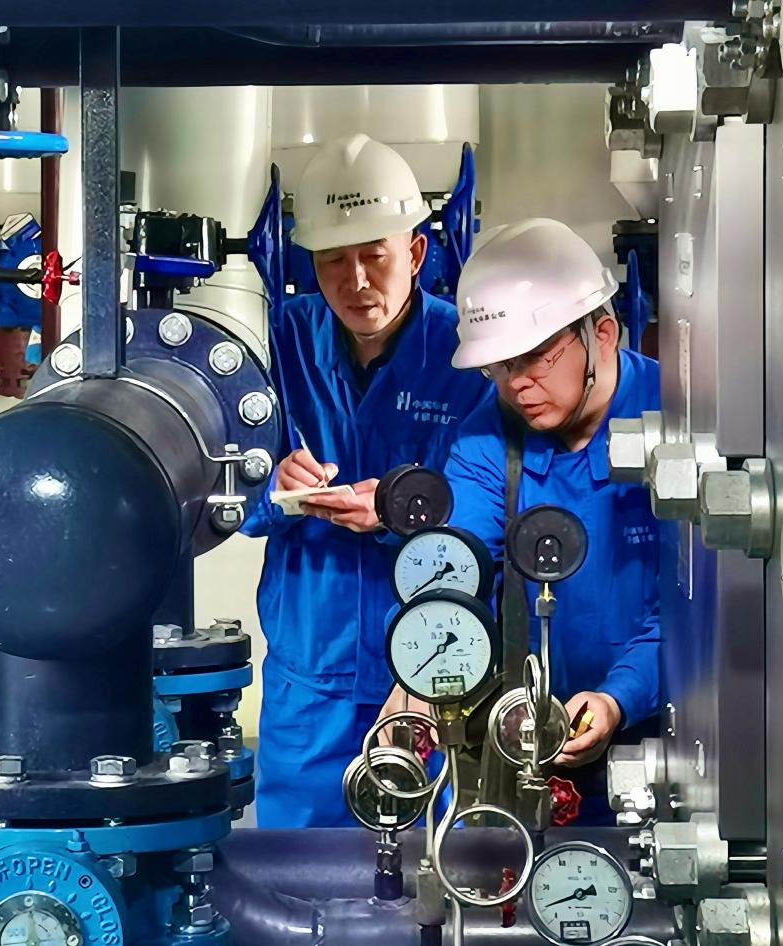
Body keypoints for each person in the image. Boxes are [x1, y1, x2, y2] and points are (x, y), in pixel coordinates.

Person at [241, 134, 493, 828]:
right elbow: (227, 496)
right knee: (292, 873)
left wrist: (401, 512)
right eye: (333, 260)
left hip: (426, 667)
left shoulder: (467, 355)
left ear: (415, 251)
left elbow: (490, 512)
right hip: (308, 676)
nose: (355, 281)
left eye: (374, 255)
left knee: (424, 867)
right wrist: (275, 490)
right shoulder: (276, 343)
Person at [378, 218, 662, 823]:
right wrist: (422, 673)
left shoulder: (678, 418)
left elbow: (699, 611)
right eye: (499, 366)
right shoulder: (487, 436)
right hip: (528, 737)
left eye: (534, 357)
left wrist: (619, 697)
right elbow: (455, 563)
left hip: (668, 731)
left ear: (602, 333)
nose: (517, 385)